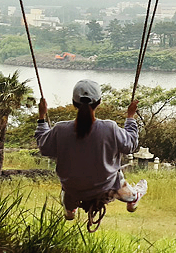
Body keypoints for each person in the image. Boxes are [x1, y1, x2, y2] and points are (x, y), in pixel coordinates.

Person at [36, 79, 148, 220]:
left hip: (72, 187)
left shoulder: (60, 129)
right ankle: (132, 198)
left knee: (69, 189)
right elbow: (130, 145)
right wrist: (130, 118)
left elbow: (44, 147)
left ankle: (70, 209)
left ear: (73, 103)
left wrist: (41, 118)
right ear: (99, 102)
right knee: (118, 181)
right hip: (106, 188)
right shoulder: (109, 128)